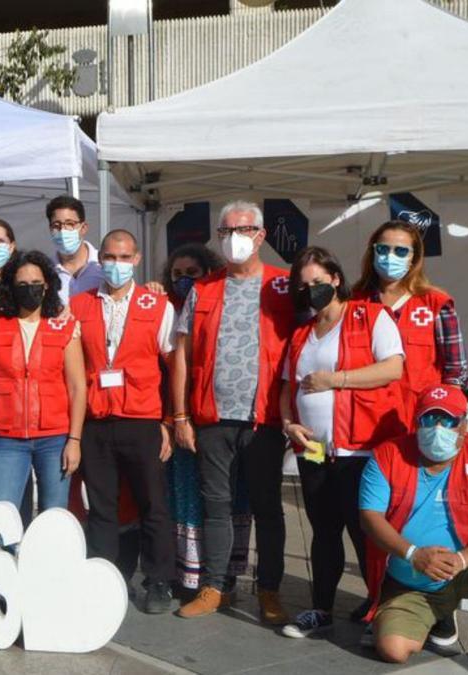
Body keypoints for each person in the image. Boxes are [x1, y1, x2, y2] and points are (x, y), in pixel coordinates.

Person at [172, 200, 296, 623]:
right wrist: (181, 417)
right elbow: (183, 356)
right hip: (212, 419)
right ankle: (215, 587)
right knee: (216, 507)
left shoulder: (283, 286)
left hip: (264, 421)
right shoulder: (203, 288)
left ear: (260, 235)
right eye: (225, 232)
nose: (232, 239)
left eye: (241, 230)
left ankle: (270, 591)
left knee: (267, 508)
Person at [279, 246, 406, 638]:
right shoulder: (302, 333)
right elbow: (287, 386)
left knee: (365, 532)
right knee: (324, 530)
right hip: (315, 449)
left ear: (336, 279)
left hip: (361, 449)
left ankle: (380, 609)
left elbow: (393, 367)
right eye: (303, 285)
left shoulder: (370, 316)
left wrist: (336, 379)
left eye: (318, 281)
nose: (311, 289)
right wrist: (288, 423)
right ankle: (321, 609)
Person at [71, 230, 177, 614]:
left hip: (142, 418)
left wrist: (169, 419)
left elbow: (173, 364)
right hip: (97, 419)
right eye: (110, 257)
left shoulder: (157, 304)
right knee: (101, 505)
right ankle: (102, 576)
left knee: (153, 503)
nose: (116, 264)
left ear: (136, 260)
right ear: (101, 259)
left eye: (124, 257)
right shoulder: (79, 304)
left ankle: (159, 580)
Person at [360, 385, 468, 670]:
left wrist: (461, 559)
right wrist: (414, 554)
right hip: (412, 580)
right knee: (394, 650)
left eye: (449, 420)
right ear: (416, 422)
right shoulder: (388, 455)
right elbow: (370, 516)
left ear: (464, 426)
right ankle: (436, 615)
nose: (439, 428)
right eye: (430, 419)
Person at [160, 243, 253, 594]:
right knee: (186, 494)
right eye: (177, 274)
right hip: (180, 416)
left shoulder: (216, 306)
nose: (183, 281)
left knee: (225, 495)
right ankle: (188, 573)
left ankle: (223, 570)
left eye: (192, 274)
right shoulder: (165, 311)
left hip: (219, 416)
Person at [0, 250, 84, 513]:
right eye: (22, 285)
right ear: (11, 288)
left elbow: (77, 386)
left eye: (36, 284)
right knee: (1, 516)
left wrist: (74, 439)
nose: (30, 290)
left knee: (54, 516)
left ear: (47, 284)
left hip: (55, 437)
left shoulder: (64, 326)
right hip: (6, 437)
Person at [352, 220, 468, 422]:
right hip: (367, 416)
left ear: (414, 257)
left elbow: (455, 371)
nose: (390, 256)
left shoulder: (436, 303)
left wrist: (442, 419)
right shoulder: (354, 302)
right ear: (373, 252)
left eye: (401, 251)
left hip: (420, 417)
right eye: (383, 249)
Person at [46, 195, 103, 306]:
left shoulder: (103, 264)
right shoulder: (46, 270)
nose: (63, 231)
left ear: (83, 228)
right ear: (50, 229)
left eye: (70, 224)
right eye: (56, 225)